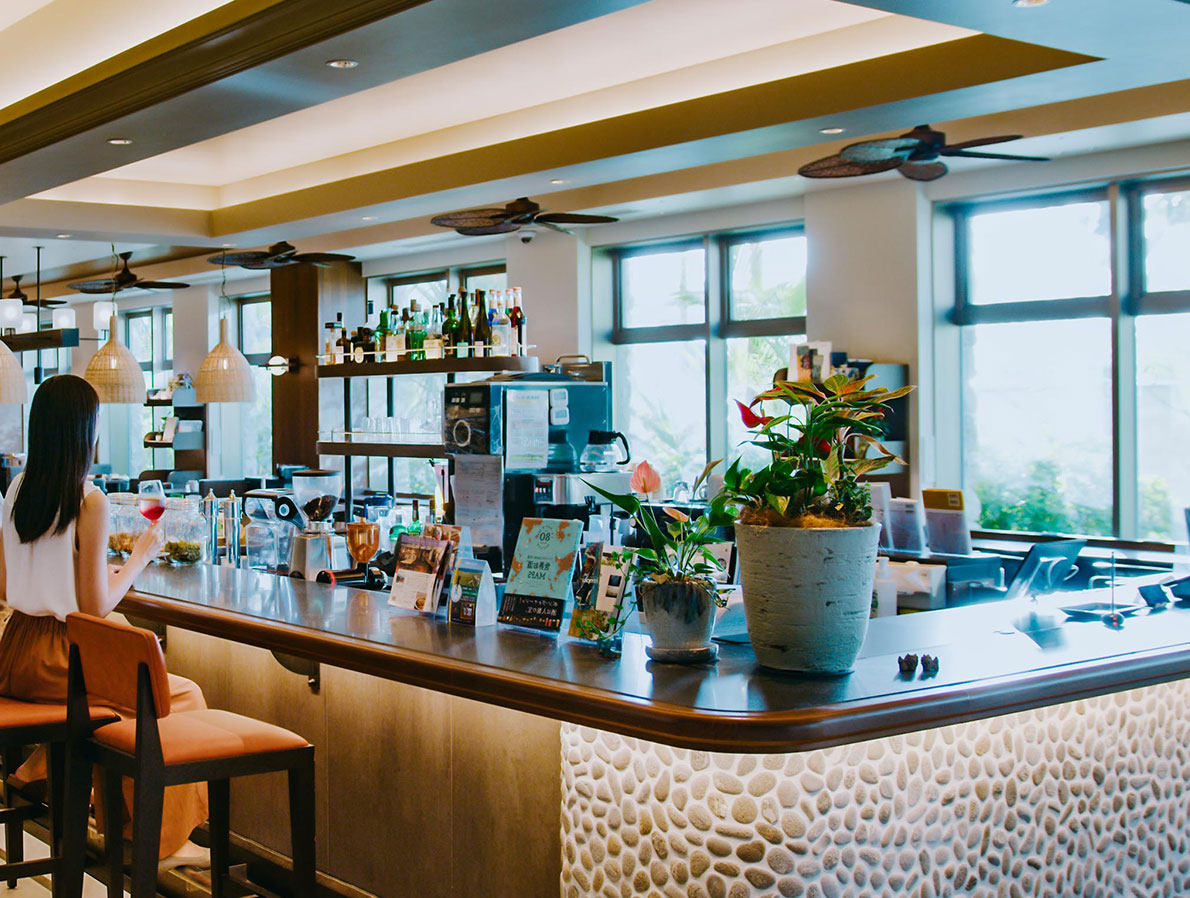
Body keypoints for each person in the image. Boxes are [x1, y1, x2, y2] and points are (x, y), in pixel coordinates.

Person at [0, 375, 209, 867]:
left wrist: (71, 581)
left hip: (14, 654)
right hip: (61, 658)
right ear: (85, 432)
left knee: (121, 707)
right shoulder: (88, 500)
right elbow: (93, 611)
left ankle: (45, 767)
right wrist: (138, 559)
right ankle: (160, 842)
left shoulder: (18, 488)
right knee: (181, 697)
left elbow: (6, 587)